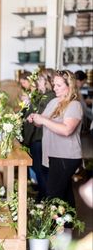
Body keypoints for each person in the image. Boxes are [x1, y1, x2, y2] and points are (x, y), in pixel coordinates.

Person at [27, 70, 83, 207]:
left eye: (58, 85)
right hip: (53, 154)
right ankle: (67, 228)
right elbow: (41, 122)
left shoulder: (74, 105)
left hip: (66, 156)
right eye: (54, 85)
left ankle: (53, 227)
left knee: (53, 195)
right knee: (64, 193)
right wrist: (34, 119)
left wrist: (43, 120)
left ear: (69, 86)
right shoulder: (54, 102)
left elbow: (66, 130)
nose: (54, 88)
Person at [23, 69, 55, 200]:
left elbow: (39, 115)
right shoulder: (43, 96)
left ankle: (45, 199)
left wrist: (30, 103)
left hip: (40, 138)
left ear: (48, 81)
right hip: (36, 138)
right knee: (38, 169)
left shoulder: (50, 97)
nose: (38, 82)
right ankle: (43, 196)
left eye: (41, 79)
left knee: (41, 170)